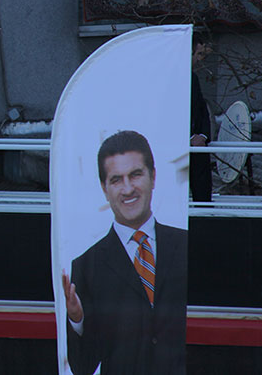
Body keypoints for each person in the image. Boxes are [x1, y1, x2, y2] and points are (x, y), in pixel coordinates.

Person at [61, 131, 187, 375]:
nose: (128, 189)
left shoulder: (186, 246)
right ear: (104, 188)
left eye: (135, 174)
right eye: (116, 179)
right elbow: (83, 367)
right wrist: (78, 321)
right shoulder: (86, 266)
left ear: (153, 176)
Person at [190, 36, 213, 202]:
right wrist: (189, 137)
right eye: (198, 54)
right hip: (179, 147)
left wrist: (203, 135)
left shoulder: (193, 79)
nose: (200, 60)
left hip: (197, 145)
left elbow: (201, 110)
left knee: (202, 189)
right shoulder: (167, 80)